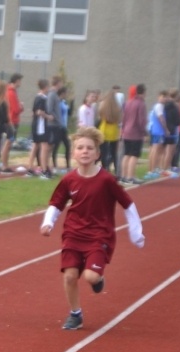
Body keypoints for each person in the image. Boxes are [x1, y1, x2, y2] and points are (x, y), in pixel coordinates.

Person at [40, 127, 145, 330]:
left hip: (99, 236)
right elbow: (56, 203)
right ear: (73, 153)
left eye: (90, 148)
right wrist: (48, 222)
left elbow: (127, 203)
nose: (85, 151)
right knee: (70, 276)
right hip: (73, 234)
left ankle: (98, 279)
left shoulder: (106, 179)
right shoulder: (69, 179)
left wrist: (136, 232)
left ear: (97, 153)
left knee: (90, 277)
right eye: (80, 147)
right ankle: (75, 314)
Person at [120, 83, 147, 184]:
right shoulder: (140, 104)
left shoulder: (127, 102)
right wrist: (144, 132)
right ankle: (130, 177)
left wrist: (122, 130)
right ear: (143, 92)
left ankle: (123, 176)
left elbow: (124, 118)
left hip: (126, 131)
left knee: (126, 154)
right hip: (135, 133)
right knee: (134, 155)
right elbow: (141, 120)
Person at [26, 78, 50, 178]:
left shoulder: (39, 97)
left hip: (36, 124)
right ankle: (44, 170)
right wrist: (48, 116)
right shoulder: (41, 98)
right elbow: (38, 111)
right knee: (44, 146)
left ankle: (30, 168)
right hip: (40, 126)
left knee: (35, 146)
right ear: (45, 87)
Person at [0, 73, 23, 173]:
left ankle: (5, 164)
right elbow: (15, 109)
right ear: (16, 81)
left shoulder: (9, 91)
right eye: (20, 81)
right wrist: (21, 107)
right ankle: (4, 166)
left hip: (10, 120)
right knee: (8, 143)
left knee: (9, 143)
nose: (21, 83)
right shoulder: (11, 92)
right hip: (12, 121)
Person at [97, 87, 122, 175]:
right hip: (114, 132)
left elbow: (100, 117)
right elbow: (119, 120)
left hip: (104, 130)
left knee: (104, 152)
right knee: (114, 153)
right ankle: (116, 171)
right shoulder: (117, 108)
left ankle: (105, 168)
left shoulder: (103, 106)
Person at [51, 86, 71, 172]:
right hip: (58, 127)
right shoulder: (58, 102)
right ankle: (54, 166)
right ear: (62, 93)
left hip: (64, 127)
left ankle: (67, 166)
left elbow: (69, 113)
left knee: (67, 146)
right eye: (66, 93)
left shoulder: (64, 102)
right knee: (56, 146)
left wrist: (72, 102)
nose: (67, 95)